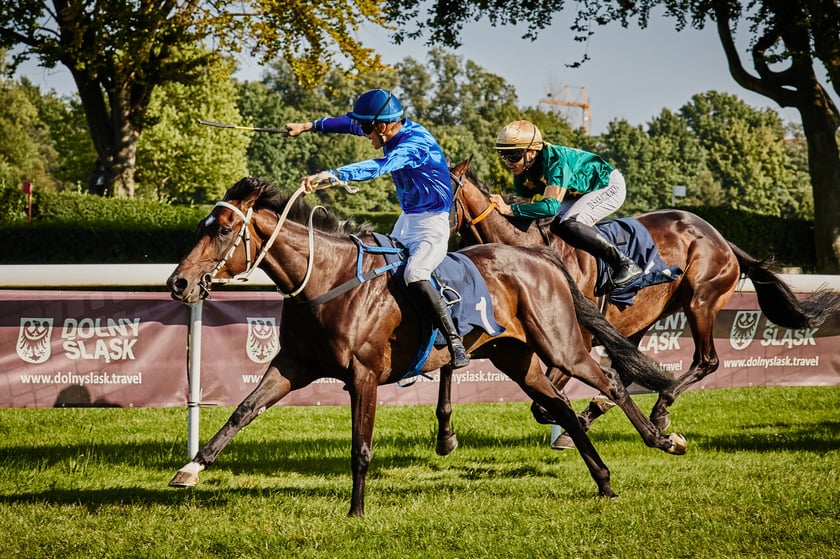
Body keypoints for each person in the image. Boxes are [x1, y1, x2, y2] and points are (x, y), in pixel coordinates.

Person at [283, 88, 469, 370]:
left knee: (415, 274)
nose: (363, 131)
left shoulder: (414, 144)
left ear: (381, 126)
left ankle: (454, 340)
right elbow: (348, 123)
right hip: (408, 219)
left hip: (432, 224)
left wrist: (332, 175)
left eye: (366, 128)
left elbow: (380, 166)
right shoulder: (387, 128)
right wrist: (308, 127)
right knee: (382, 271)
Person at [489, 120, 642, 288]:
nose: (508, 161)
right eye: (503, 154)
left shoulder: (556, 161)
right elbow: (524, 209)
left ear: (532, 152)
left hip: (607, 185)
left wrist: (509, 208)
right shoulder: (521, 170)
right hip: (576, 193)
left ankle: (624, 263)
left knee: (570, 223)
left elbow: (550, 207)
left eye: (514, 155)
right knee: (548, 224)